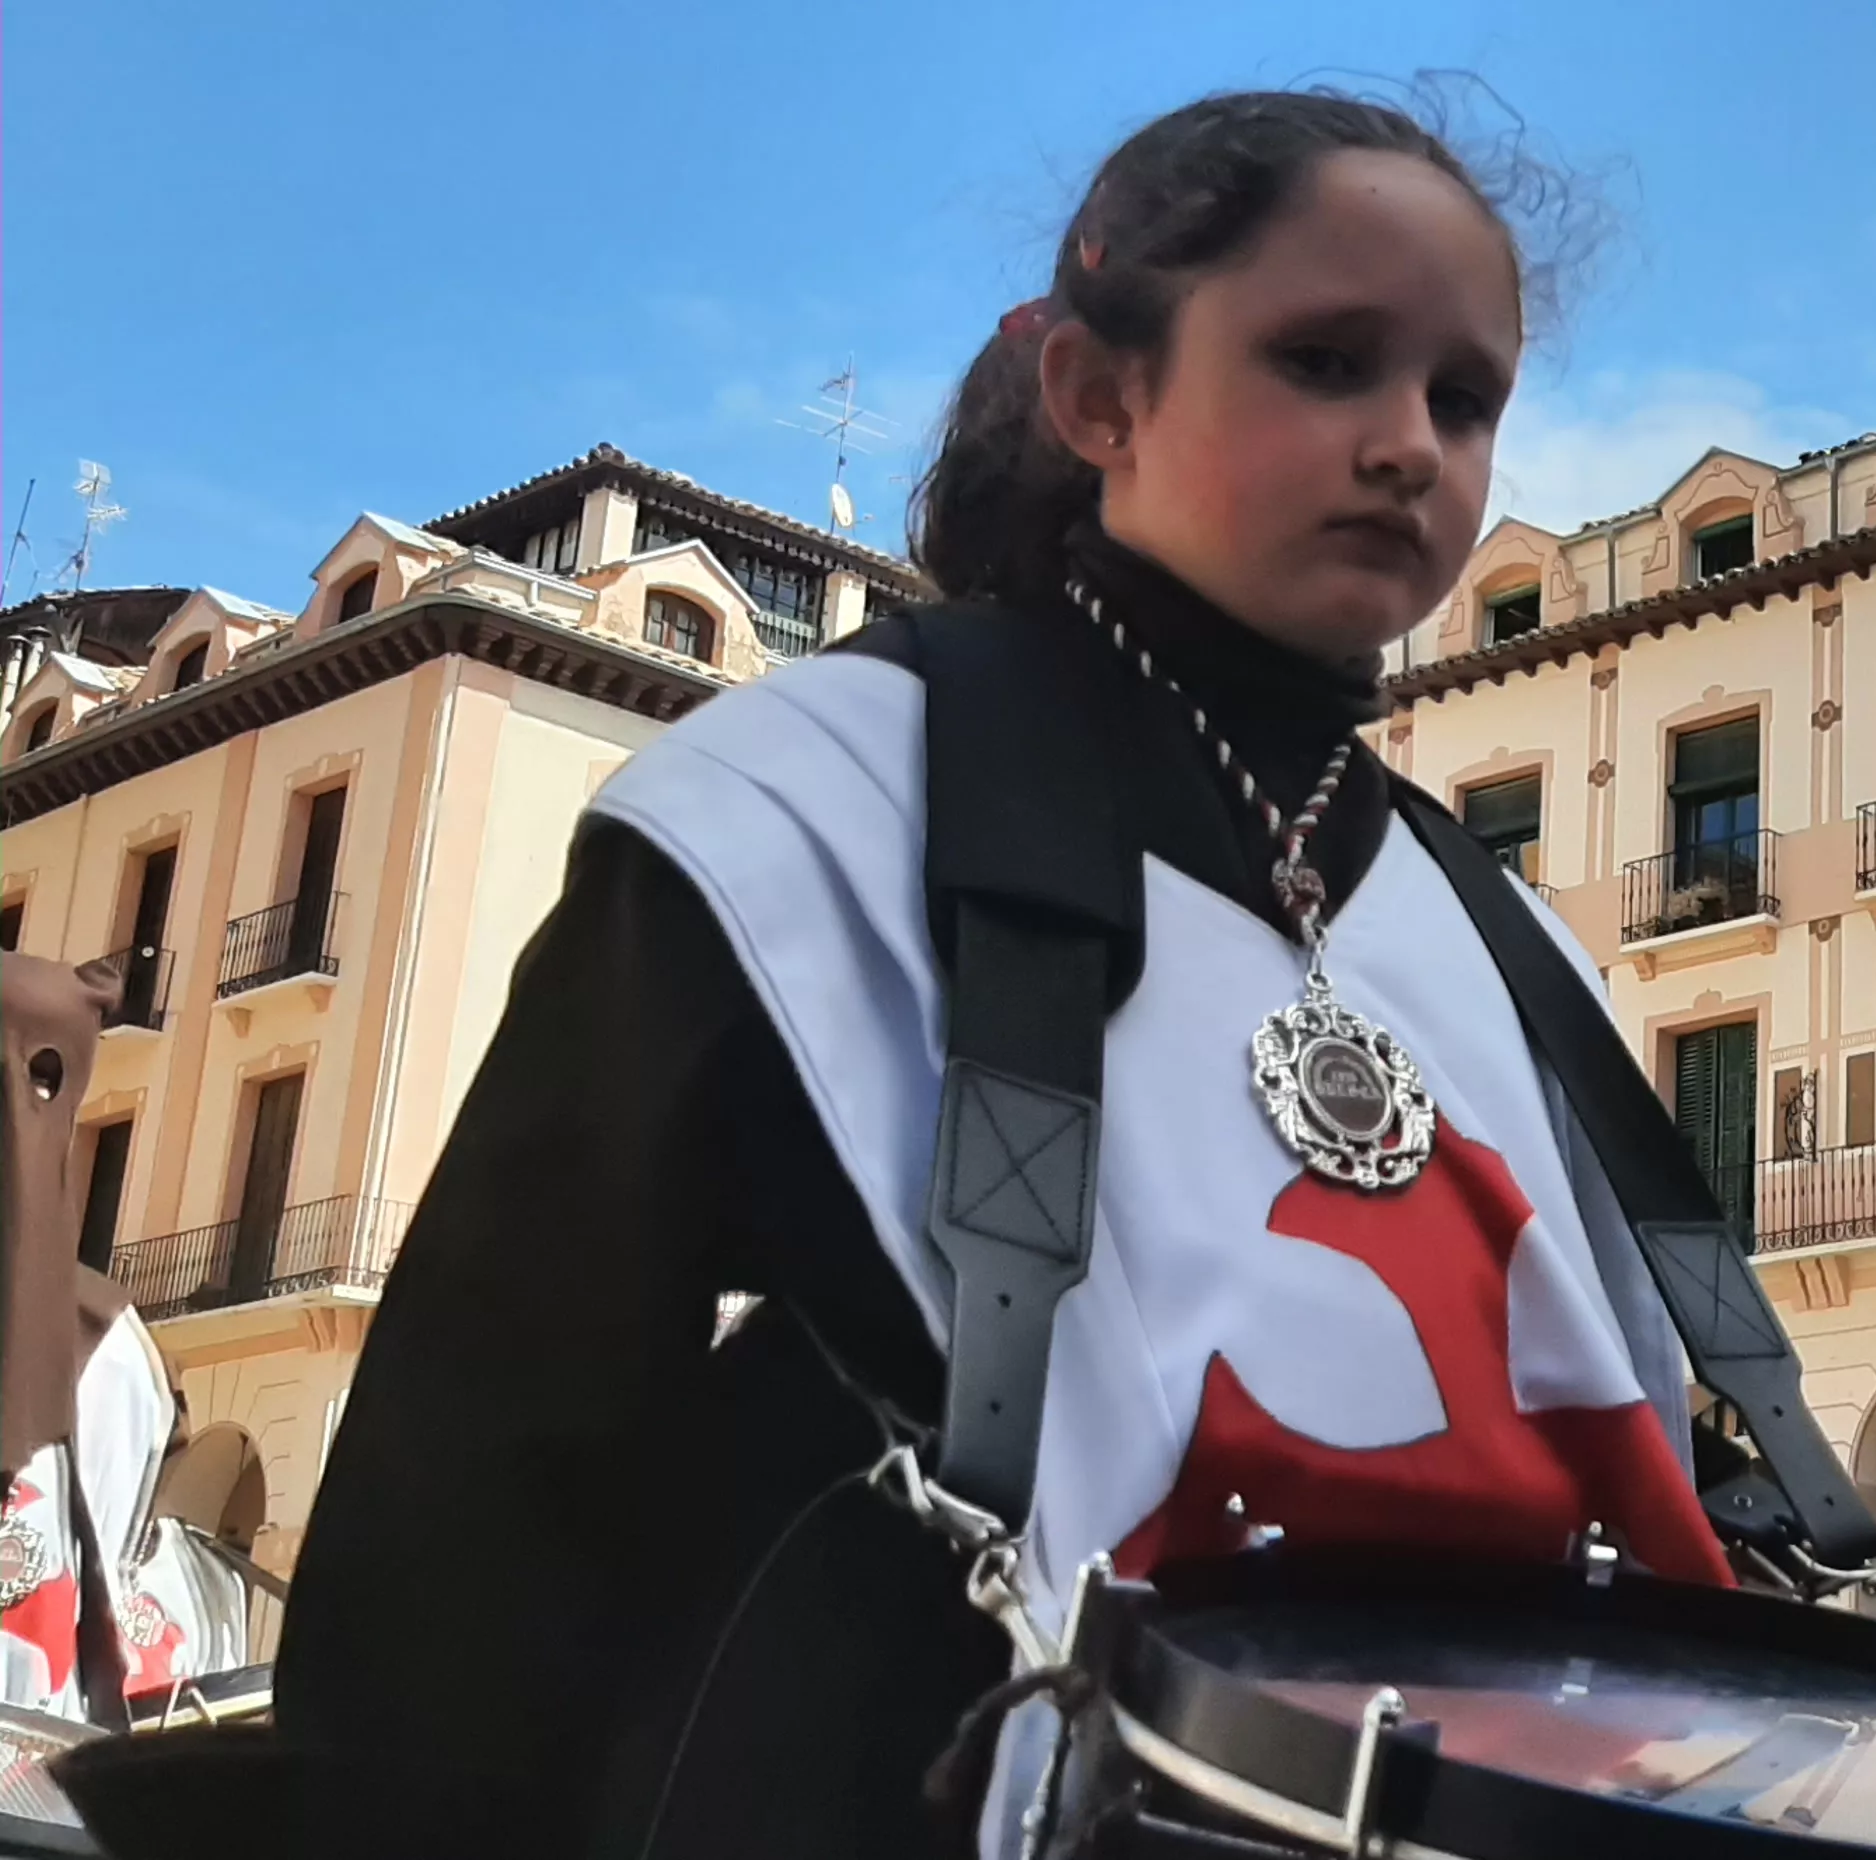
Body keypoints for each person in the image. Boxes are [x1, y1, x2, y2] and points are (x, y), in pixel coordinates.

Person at [51, 88, 1710, 1860]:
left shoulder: (1514, 944)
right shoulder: (795, 811)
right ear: (1100, 396)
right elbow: (487, 1496)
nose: (1409, 443)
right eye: (1326, 361)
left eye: (1464, 400)